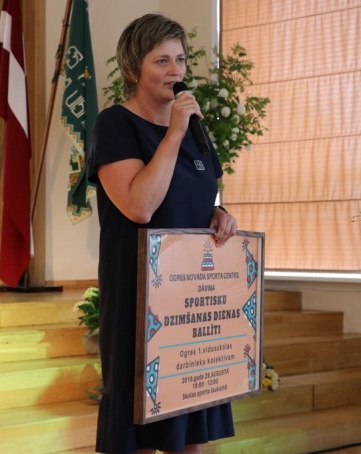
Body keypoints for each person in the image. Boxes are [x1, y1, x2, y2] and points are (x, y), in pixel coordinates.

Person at [88, 13, 238, 453]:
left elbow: (198, 193)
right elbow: (140, 206)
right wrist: (173, 133)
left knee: (191, 416)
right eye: (161, 61)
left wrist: (219, 214)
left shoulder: (194, 130)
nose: (175, 70)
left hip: (190, 295)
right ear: (134, 68)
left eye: (181, 59)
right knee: (139, 420)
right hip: (141, 296)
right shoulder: (115, 124)